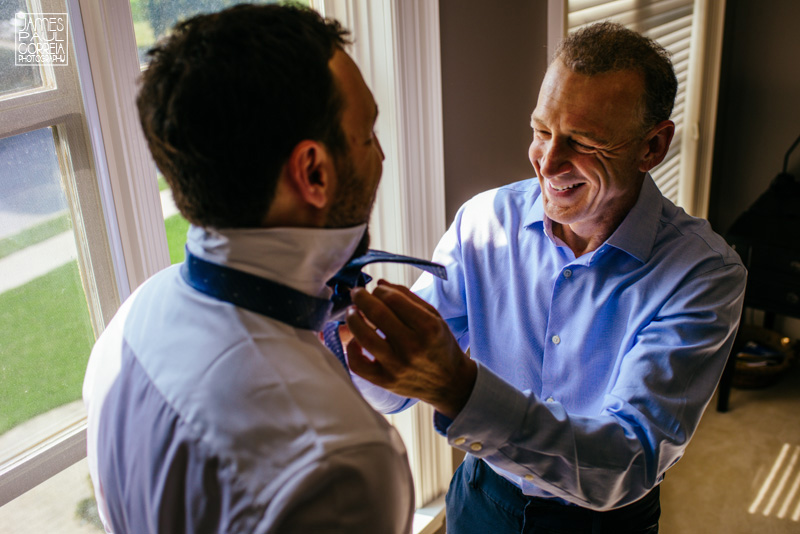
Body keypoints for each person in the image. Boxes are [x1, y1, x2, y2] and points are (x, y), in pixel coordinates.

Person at [343, 21, 747, 533]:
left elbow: (630, 460)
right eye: (541, 130)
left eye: (583, 141)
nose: (548, 162)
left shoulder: (704, 275)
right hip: (479, 499)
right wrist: (346, 334)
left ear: (652, 148)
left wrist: (461, 389)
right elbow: (391, 392)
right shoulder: (484, 222)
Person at [82, 5, 414, 533]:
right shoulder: (338, 464)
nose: (381, 157)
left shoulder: (131, 321)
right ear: (313, 172)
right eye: (368, 133)